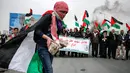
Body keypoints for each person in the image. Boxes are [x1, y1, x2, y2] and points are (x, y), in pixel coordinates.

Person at [33, 1, 69, 73]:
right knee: (49, 70)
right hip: (42, 46)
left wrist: (60, 42)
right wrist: (47, 38)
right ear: (56, 9)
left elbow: (55, 35)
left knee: (45, 68)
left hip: (52, 48)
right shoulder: (48, 16)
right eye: (62, 11)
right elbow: (37, 30)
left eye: (66, 12)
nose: (64, 14)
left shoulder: (59, 21)